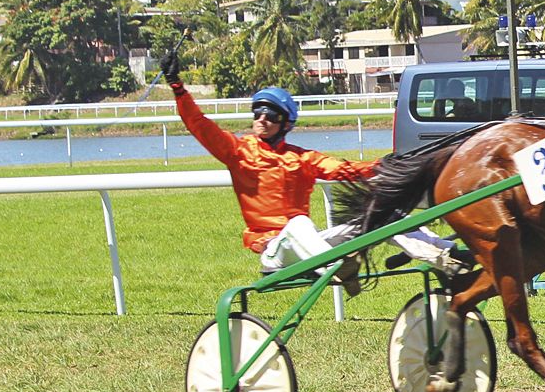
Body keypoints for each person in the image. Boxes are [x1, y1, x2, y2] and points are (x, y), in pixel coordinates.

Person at [157, 38, 454, 292]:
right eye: (258, 111)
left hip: (310, 247)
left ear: (285, 124)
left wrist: (382, 165)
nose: (262, 118)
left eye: (271, 115)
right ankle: (339, 267)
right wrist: (177, 87)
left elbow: (343, 168)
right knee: (298, 224)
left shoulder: (300, 158)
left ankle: (445, 255)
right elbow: (199, 125)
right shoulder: (237, 151)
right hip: (275, 252)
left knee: (383, 217)